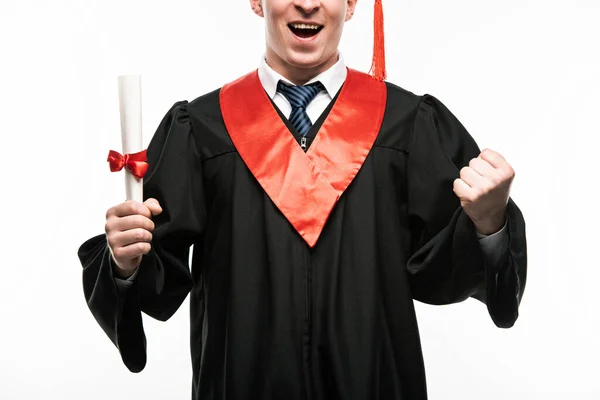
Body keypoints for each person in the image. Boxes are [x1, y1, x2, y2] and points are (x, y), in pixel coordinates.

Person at [78, 0, 527, 399]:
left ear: (352, 4)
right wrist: (124, 262)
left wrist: (489, 225)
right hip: (241, 382)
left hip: (373, 382)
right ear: (257, 2)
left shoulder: (407, 123)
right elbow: (158, 276)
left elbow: (440, 274)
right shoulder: (200, 128)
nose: (308, 4)